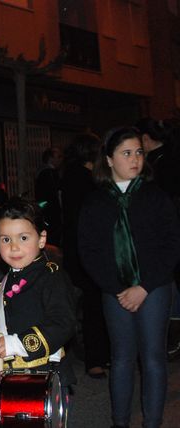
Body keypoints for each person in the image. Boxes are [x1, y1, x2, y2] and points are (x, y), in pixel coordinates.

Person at [78, 127, 180, 428]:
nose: (134, 159)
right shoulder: (96, 203)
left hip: (154, 288)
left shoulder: (155, 197)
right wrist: (118, 287)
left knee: (153, 357)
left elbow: (171, 245)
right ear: (109, 159)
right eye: (126, 153)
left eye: (138, 152)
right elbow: (89, 251)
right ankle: (119, 422)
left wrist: (144, 286)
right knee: (122, 357)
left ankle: (153, 422)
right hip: (116, 289)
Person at [0, 197, 77, 424]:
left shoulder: (51, 277)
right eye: (6, 239)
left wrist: (17, 343)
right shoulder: (3, 284)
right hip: (11, 384)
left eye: (23, 238)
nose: (14, 247)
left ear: (42, 239)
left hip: (44, 377)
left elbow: (63, 323)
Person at [61, 133, 110, 379]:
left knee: (85, 306)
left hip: (78, 251)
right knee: (92, 306)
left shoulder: (73, 176)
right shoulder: (83, 179)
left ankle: (96, 357)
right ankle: (95, 359)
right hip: (85, 252)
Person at [135, 117, 180, 361]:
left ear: (145, 139)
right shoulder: (167, 158)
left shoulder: (160, 163)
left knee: (165, 280)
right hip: (165, 232)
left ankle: (170, 332)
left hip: (161, 234)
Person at [34, 147, 63, 246]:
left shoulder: (41, 172)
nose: (60, 159)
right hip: (52, 214)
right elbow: (55, 194)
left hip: (45, 212)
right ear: (50, 158)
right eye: (58, 156)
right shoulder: (49, 173)